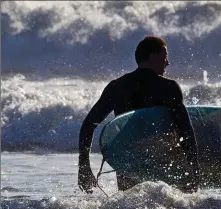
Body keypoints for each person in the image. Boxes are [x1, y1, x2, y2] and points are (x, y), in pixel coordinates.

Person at [77, 36, 199, 194]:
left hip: (127, 161)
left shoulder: (117, 86)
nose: (167, 63)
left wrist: (84, 165)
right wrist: (194, 168)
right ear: (153, 57)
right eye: (165, 57)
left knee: (130, 208)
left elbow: (89, 124)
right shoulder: (168, 87)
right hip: (163, 160)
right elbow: (185, 130)